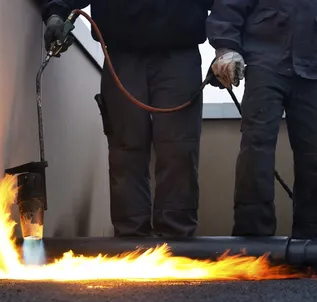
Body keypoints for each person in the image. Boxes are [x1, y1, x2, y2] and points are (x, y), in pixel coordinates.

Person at [207, 0, 317, 240]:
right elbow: (229, 5)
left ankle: (315, 243)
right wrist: (227, 49)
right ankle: (252, 242)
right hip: (264, 62)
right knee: (255, 151)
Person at [40, 0, 214, 237]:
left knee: (179, 149)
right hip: (122, 54)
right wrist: (55, 13)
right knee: (125, 150)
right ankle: (131, 241)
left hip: (179, 53)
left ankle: (177, 239)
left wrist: (227, 47)